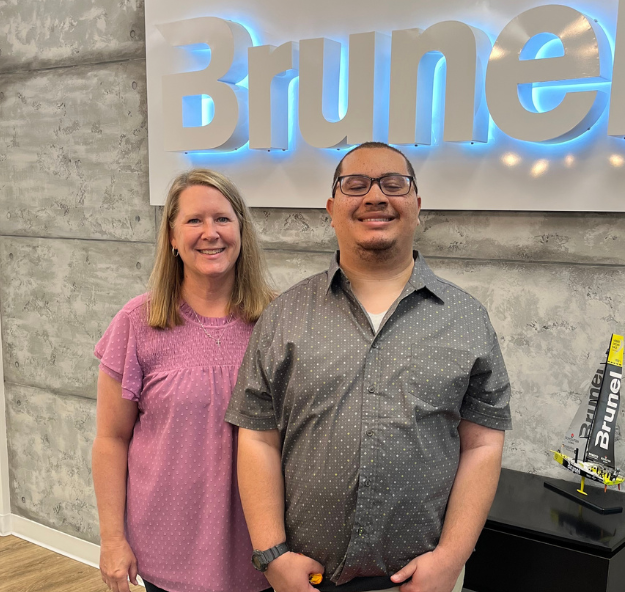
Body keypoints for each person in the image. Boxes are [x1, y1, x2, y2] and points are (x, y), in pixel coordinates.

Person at [226, 142, 512, 592]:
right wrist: (272, 556)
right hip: (307, 578)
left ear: (417, 205)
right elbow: (258, 437)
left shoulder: (466, 318)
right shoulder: (284, 316)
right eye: (355, 185)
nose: (375, 197)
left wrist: (451, 560)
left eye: (393, 184)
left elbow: (481, 445)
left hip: (417, 582)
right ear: (332, 208)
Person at [92, 169, 275, 592]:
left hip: (261, 548)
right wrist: (112, 539)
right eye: (194, 221)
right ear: (172, 238)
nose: (210, 233)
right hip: (166, 546)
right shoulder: (137, 322)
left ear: (241, 231)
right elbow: (110, 440)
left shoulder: (276, 321)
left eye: (223, 219)